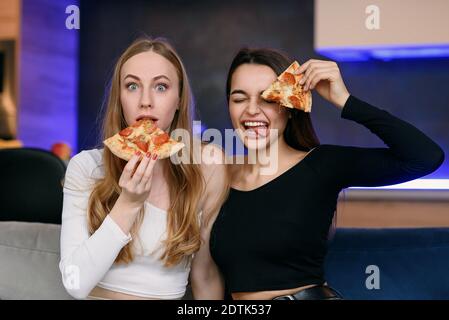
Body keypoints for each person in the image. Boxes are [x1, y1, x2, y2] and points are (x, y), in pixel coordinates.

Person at [201, 48, 445, 300]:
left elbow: (425, 157)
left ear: (290, 104)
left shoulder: (322, 164)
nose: (251, 110)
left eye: (268, 98)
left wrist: (346, 101)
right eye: (239, 98)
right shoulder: (218, 175)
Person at [59, 37, 228, 300]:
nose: (145, 101)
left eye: (161, 87)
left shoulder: (208, 166)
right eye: (132, 86)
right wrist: (128, 203)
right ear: (120, 99)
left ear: (179, 100)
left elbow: (204, 276)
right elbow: (75, 282)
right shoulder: (86, 166)